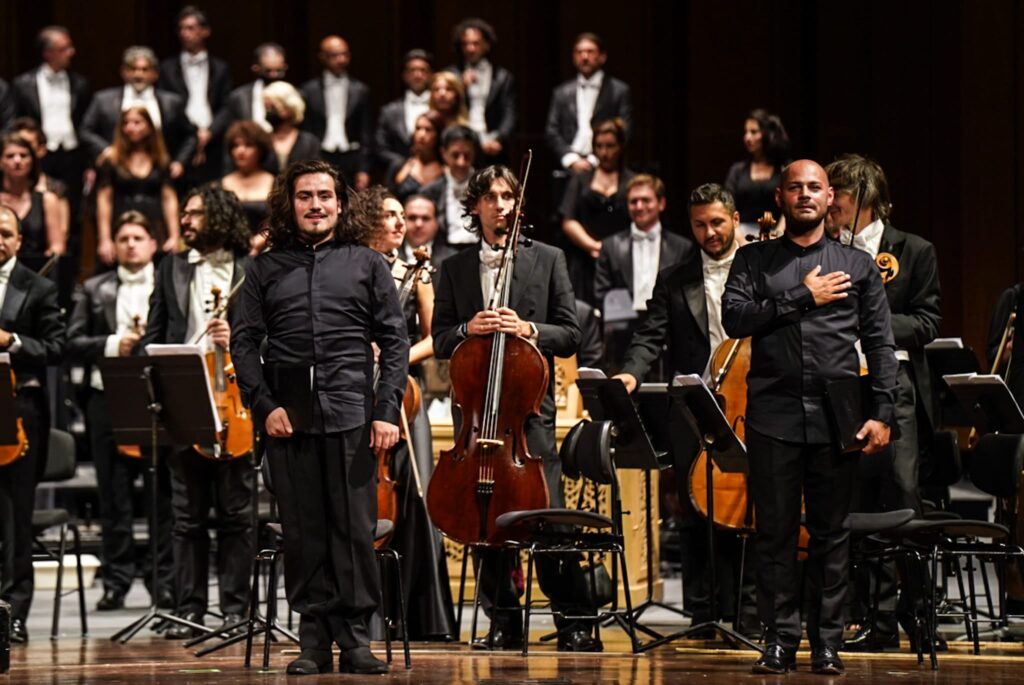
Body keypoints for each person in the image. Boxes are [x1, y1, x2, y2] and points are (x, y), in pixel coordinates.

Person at [231, 160, 409, 675]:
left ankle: (355, 640)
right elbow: (244, 343)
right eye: (305, 196)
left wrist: (386, 409)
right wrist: (264, 406)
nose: (315, 205)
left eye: (324, 196)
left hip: (354, 415)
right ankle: (313, 640)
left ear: (339, 202)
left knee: (353, 532)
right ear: (290, 204)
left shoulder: (367, 263)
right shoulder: (264, 268)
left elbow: (394, 342)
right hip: (289, 419)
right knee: (303, 533)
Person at [722, 159, 898, 675]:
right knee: (774, 533)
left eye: (814, 188)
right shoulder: (753, 261)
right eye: (795, 188)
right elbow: (735, 319)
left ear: (828, 198)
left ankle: (826, 642)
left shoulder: (859, 265)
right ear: (779, 197)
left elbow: (881, 344)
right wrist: (803, 297)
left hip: (837, 415)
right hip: (772, 413)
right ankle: (778, 641)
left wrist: (883, 411)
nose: (805, 196)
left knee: (831, 533)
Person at [432, 166, 602, 652]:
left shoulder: (548, 260)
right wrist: (470, 329)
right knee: (483, 523)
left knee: (544, 522)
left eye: (508, 196)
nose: (501, 205)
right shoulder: (455, 269)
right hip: (476, 422)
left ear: (518, 205)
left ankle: (574, 621)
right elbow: (441, 339)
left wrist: (528, 329)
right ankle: (504, 621)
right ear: (475, 207)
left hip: (528, 424)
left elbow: (570, 334)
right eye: (491, 197)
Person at [612, 183, 756, 632]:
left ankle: (750, 609)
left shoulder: (761, 267)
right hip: (696, 404)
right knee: (695, 509)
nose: (709, 232)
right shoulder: (676, 277)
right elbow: (650, 333)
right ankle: (703, 610)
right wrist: (632, 371)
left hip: (752, 403)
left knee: (750, 506)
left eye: (717, 222)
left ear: (735, 219)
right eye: (699, 225)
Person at [824, 154, 943, 653]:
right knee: (851, 501)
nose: (829, 211)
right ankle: (864, 618)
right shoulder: (826, 252)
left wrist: (870, 322)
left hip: (895, 387)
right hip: (843, 386)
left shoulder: (913, 251)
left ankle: (916, 615)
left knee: (901, 497)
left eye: (839, 203)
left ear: (865, 202)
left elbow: (927, 322)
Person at [138, 184, 254, 639]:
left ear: (221, 216)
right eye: (184, 215)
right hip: (185, 395)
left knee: (236, 514)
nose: (184, 222)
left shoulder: (250, 270)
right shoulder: (170, 268)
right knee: (186, 515)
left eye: (194, 215)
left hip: (236, 401)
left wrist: (238, 340)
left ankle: (235, 611)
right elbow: (154, 332)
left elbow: (270, 337)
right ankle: (188, 609)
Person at [65, 210, 174, 612]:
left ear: (152, 243)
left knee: (161, 494)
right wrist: (114, 344)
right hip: (105, 397)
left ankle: (163, 580)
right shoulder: (95, 288)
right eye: (123, 237)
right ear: (115, 245)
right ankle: (117, 581)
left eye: (138, 237)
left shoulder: (170, 282)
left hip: (157, 398)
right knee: (114, 497)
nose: (130, 244)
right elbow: (70, 341)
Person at [359, 186, 455, 640]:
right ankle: (368, 615)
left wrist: (393, 358)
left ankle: (421, 618)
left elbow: (437, 337)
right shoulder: (354, 265)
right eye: (390, 215)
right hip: (357, 392)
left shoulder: (417, 272)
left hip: (402, 393)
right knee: (364, 494)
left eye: (403, 216)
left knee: (415, 497)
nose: (401, 223)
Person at [0, 205, 66, 644]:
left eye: (5, 233)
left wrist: (13, 341)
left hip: (18, 409)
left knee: (15, 518)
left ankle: (13, 613)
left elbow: (56, 347)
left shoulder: (38, 286)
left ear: (19, 240)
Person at [594, 174, 692, 374]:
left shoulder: (682, 247)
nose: (639, 206)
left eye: (645, 200)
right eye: (633, 201)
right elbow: (601, 293)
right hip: (623, 338)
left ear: (661, 203)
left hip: (670, 336)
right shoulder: (610, 246)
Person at [10, 26, 91, 234]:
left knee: (74, 213)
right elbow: (18, 122)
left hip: (72, 156)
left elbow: (85, 125)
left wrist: (89, 163)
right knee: (40, 209)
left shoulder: (80, 84)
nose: (71, 52)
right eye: (64, 48)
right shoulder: (23, 84)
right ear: (48, 53)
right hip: (40, 155)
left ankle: (69, 262)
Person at [80, 46, 196, 181]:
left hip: (161, 174)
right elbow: (85, 130)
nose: (138, 74)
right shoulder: (102, 100)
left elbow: (191, 135)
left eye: (145, 69)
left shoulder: (172, 103)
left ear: (155, 73)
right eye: (133, 69)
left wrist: (179, 162)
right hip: (116, 173)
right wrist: (106, 150)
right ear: (123, 72)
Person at [560, 118, 635, 305]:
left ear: (621, 146)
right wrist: (594, 247)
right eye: (599, 146)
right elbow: (568, 220)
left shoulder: (632, 180)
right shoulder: (581, 179)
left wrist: (612, 253)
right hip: (586, 259)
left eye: (610, 146)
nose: (604, 152)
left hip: (622, 261)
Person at [95, 107, 180, 265]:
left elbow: (169, 198)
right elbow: (104, 200)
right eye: (126, 123)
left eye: (137, 122)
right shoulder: (111, 159)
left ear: (149, 126)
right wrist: (105, 238)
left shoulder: (161, 159)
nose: (130, 127)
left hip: (155, 226)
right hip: (121, 223)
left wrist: (175, 236)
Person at [158, 5, 233, 182]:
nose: (184, 33)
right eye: (181, 28)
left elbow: (226, 106)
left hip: (214, 140)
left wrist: (209, 132)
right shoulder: (166, 68)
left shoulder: (221, 68)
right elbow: (166, 106)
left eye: (190, 28)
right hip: (180, 141)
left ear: (205, 31)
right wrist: (191, 132)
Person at [544, 33, 633, 174]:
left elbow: (625, 130)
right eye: (579, 52)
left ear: (602, 56)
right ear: (574, 57)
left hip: (607, 167)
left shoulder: (619, 91)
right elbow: (552, 131)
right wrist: (571, 159)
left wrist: (595, 158)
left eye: (590, 52)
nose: (584, 57)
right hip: (569, 166)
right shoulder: (561, 92)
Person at [300, 35, 372, 189]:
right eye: (334, 55)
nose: (341, 59)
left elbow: (366, 133)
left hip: (351, 155)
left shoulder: (360, 90)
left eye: (345, 54)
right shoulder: (308, 90)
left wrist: (363, 169)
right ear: (322, 57)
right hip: (320, 154)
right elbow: (305, 130)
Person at [446, 18, 516, 165]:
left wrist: (498, 138)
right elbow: (444, 110)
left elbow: (510, 112)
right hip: (462, 143)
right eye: (466, 44)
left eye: (475, 43)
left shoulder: (502, 77)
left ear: (487, 45)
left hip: (493, 142)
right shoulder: (452, 75)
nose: (470, 48)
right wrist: (460, 87)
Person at [0, 133, 66, 270]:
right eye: (10, 156)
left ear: (32, 161)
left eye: (23, 155)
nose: (17, 160)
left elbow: (57, 247)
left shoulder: (48, 200)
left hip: (36, 274)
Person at [724, 109, 790, 238]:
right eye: (746, 132)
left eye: (753, 132)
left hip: (777, 233)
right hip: (742, 234)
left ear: (768, 134)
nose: (747, 137)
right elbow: (728, 207)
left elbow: (790, 206)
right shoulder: (737, 170)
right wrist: (739, 238)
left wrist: (779, 233)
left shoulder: (785, 168)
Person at [219, 120, 275, 252]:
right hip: (227, 250)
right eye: (235, 146)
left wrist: (258, 242)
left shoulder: (275, 182)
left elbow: (279, 221)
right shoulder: (220, 184)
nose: (240, 151)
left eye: (248, 145)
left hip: (268, 250)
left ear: (260, 149)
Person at [375, 49, 433, 173]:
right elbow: (380, 149)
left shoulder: (440, 108)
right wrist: (404, 164)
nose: (418, 75)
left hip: (435, 174)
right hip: (399, 175)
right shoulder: (389, 111)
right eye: (412, 70)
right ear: (404, 75)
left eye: (423, 70)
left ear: (430, 75)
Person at [420, 123, 478, 248]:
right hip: (443, 255)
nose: (461, 162)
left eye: (467, 156)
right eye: (455, 155)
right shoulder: (429, 192)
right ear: (443, 153)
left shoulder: (486, 188)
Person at [212, 43, 288, 135]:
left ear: (284, 67)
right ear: (256, 68)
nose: (274, 75)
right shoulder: (239, 97)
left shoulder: (296, 96)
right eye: (268, 71)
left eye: (278, 71)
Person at [262, 81, 321, 175]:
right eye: (266, 108)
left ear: (289, 107)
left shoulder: (310, 142)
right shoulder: (262, 140)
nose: (268, 112)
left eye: (272, 107)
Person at [385, 110, 444, 203]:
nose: (421, 135)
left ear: (438, 134)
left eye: (428, 130)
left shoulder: (446, 170)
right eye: (418, 128)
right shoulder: (400, 166)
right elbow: (387, 201)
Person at [401, 194, 456, 271]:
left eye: (425, 218)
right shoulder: (386, 257)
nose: (418, 224)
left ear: (436, 223)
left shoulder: (452, 260)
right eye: (412, 218)